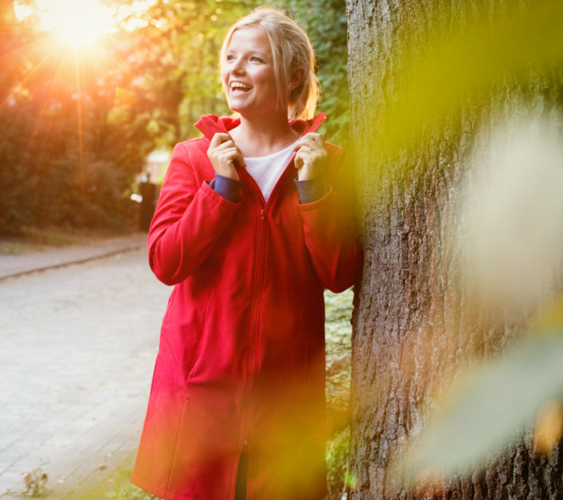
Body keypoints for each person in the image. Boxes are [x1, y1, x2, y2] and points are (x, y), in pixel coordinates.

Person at [131, 7, 362, 500]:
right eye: (230, 57)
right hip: (200, 393)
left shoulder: (326, 163)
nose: (235, 69)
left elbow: (340, 273)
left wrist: (314, 189)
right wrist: (218, 188)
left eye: (254, 59)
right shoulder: (194, 158)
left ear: (293, 75)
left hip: (284, 403)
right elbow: (166, 261)